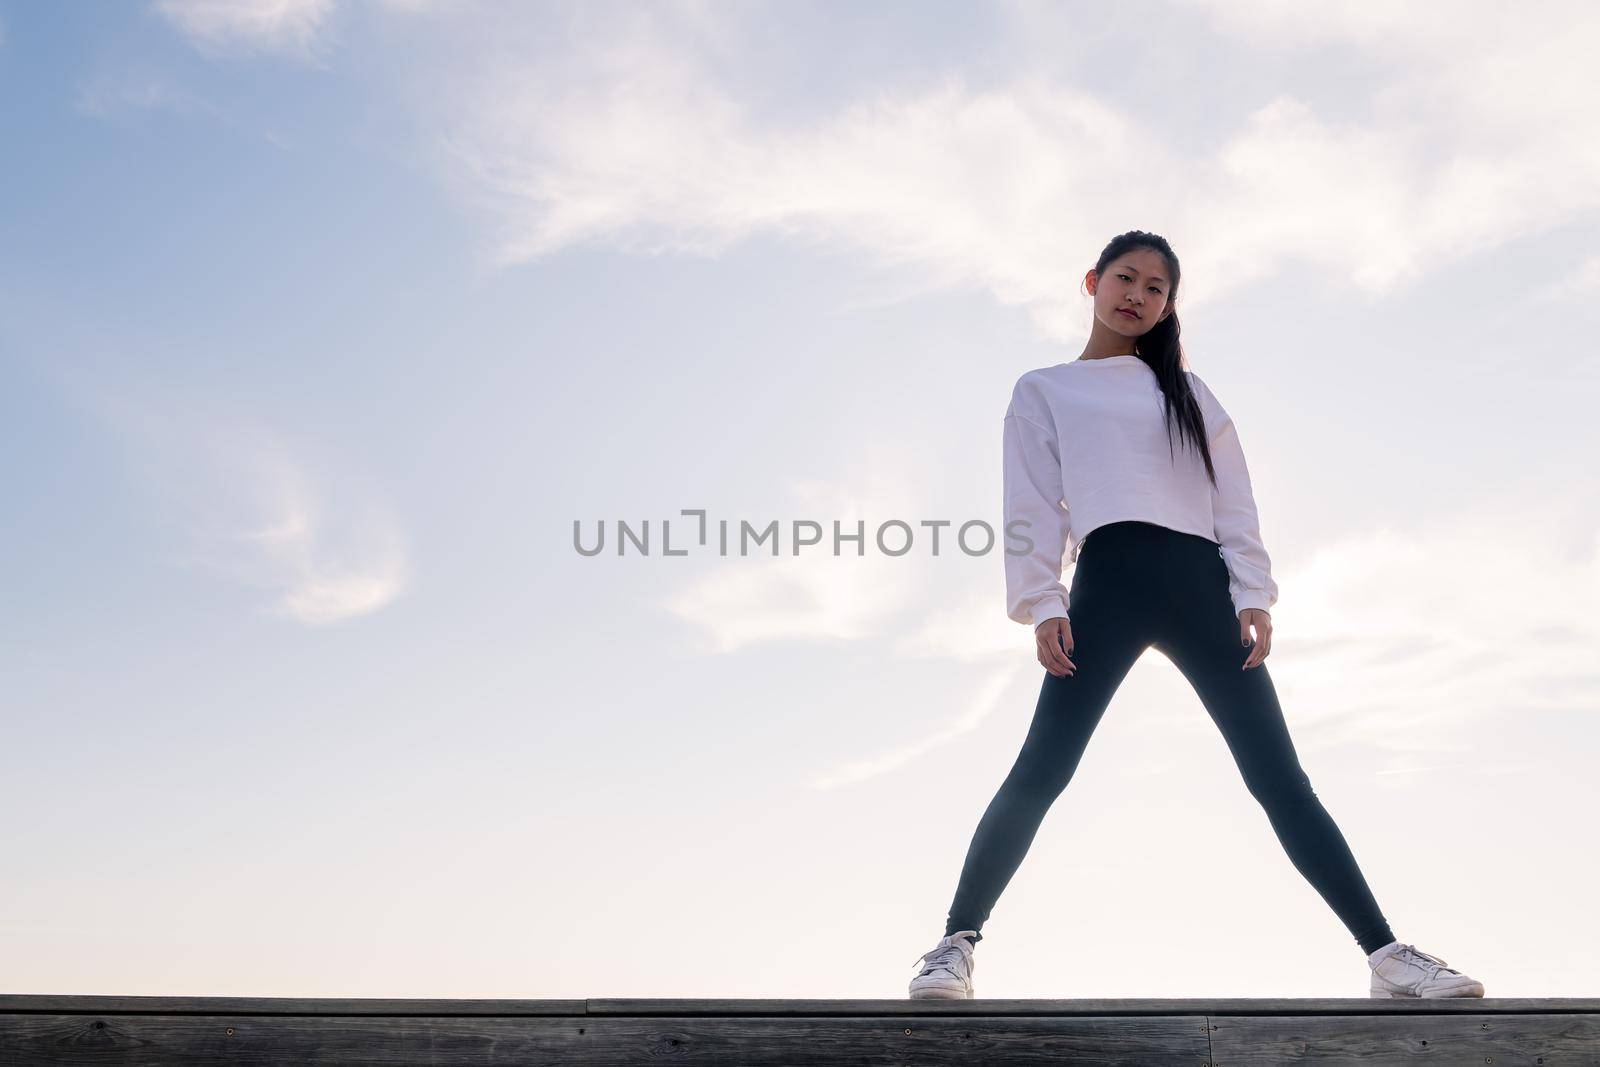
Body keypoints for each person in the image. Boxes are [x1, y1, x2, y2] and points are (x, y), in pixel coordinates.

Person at [908, 230, 1485, 1001]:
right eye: (1126, 278)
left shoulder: (1189, 392)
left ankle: (1388, 955)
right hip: (1106, 587)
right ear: (1092, 281)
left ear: (1169, 304)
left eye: (1156, 288)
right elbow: (1031, 502)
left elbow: (1233, 496)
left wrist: (1252, 591)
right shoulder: (1045, 389)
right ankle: (955, 943)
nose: (1138, 296)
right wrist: (1042, 599)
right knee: (1042, 769)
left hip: (1200, 588)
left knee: (1281, 780)